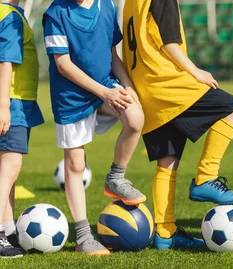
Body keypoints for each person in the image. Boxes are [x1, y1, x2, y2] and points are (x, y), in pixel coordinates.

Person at [122, 0, 233, 250]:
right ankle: (205, 178)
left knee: (167, 159)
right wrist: (195, 71)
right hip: (167, 83)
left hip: (146, 89)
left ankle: (165, 233)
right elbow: (170, 43)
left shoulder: (130, 3)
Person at [43, 0, 147, 255]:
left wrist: (127, 86)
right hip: (71, 96)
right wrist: (105, 93)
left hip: (104, 85)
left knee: (135, 118)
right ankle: (83, 236)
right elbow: (62, 65)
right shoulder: (56, 13)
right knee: (76, 163)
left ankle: (116, 178)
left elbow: (112, 55)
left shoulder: (107, 5)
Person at [0, 0, 44, 258]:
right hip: (12, 102)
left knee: (7, 171)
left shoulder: (7, 12)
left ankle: (8, 229)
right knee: (9, 169)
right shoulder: (11, 16)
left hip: (12, 101)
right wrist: (4, 105)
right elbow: (6, 60)